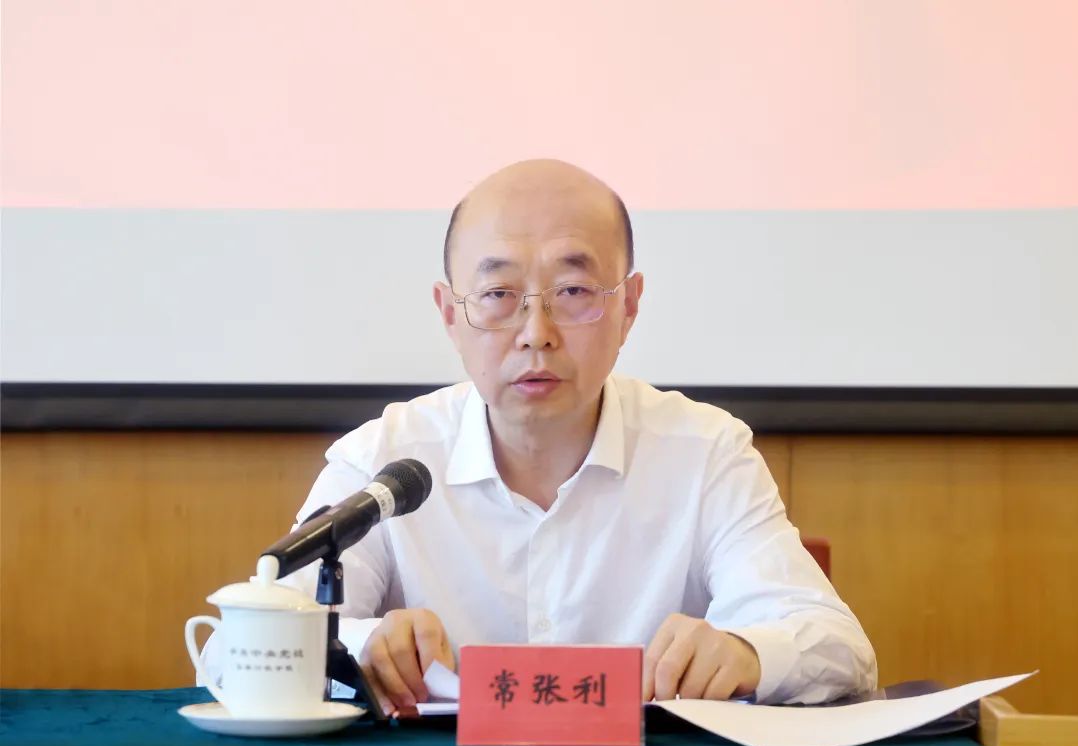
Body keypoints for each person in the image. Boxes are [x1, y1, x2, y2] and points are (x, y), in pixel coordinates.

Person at [207, 158, 877, 714]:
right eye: (498, 294)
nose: (537, 332)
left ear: (629, 306)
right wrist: (361, 646)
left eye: (574, 291)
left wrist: (749, 653)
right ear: (451, 314)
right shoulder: (384, 460)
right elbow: (232, 653)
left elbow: (839, 647)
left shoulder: (705, 454)